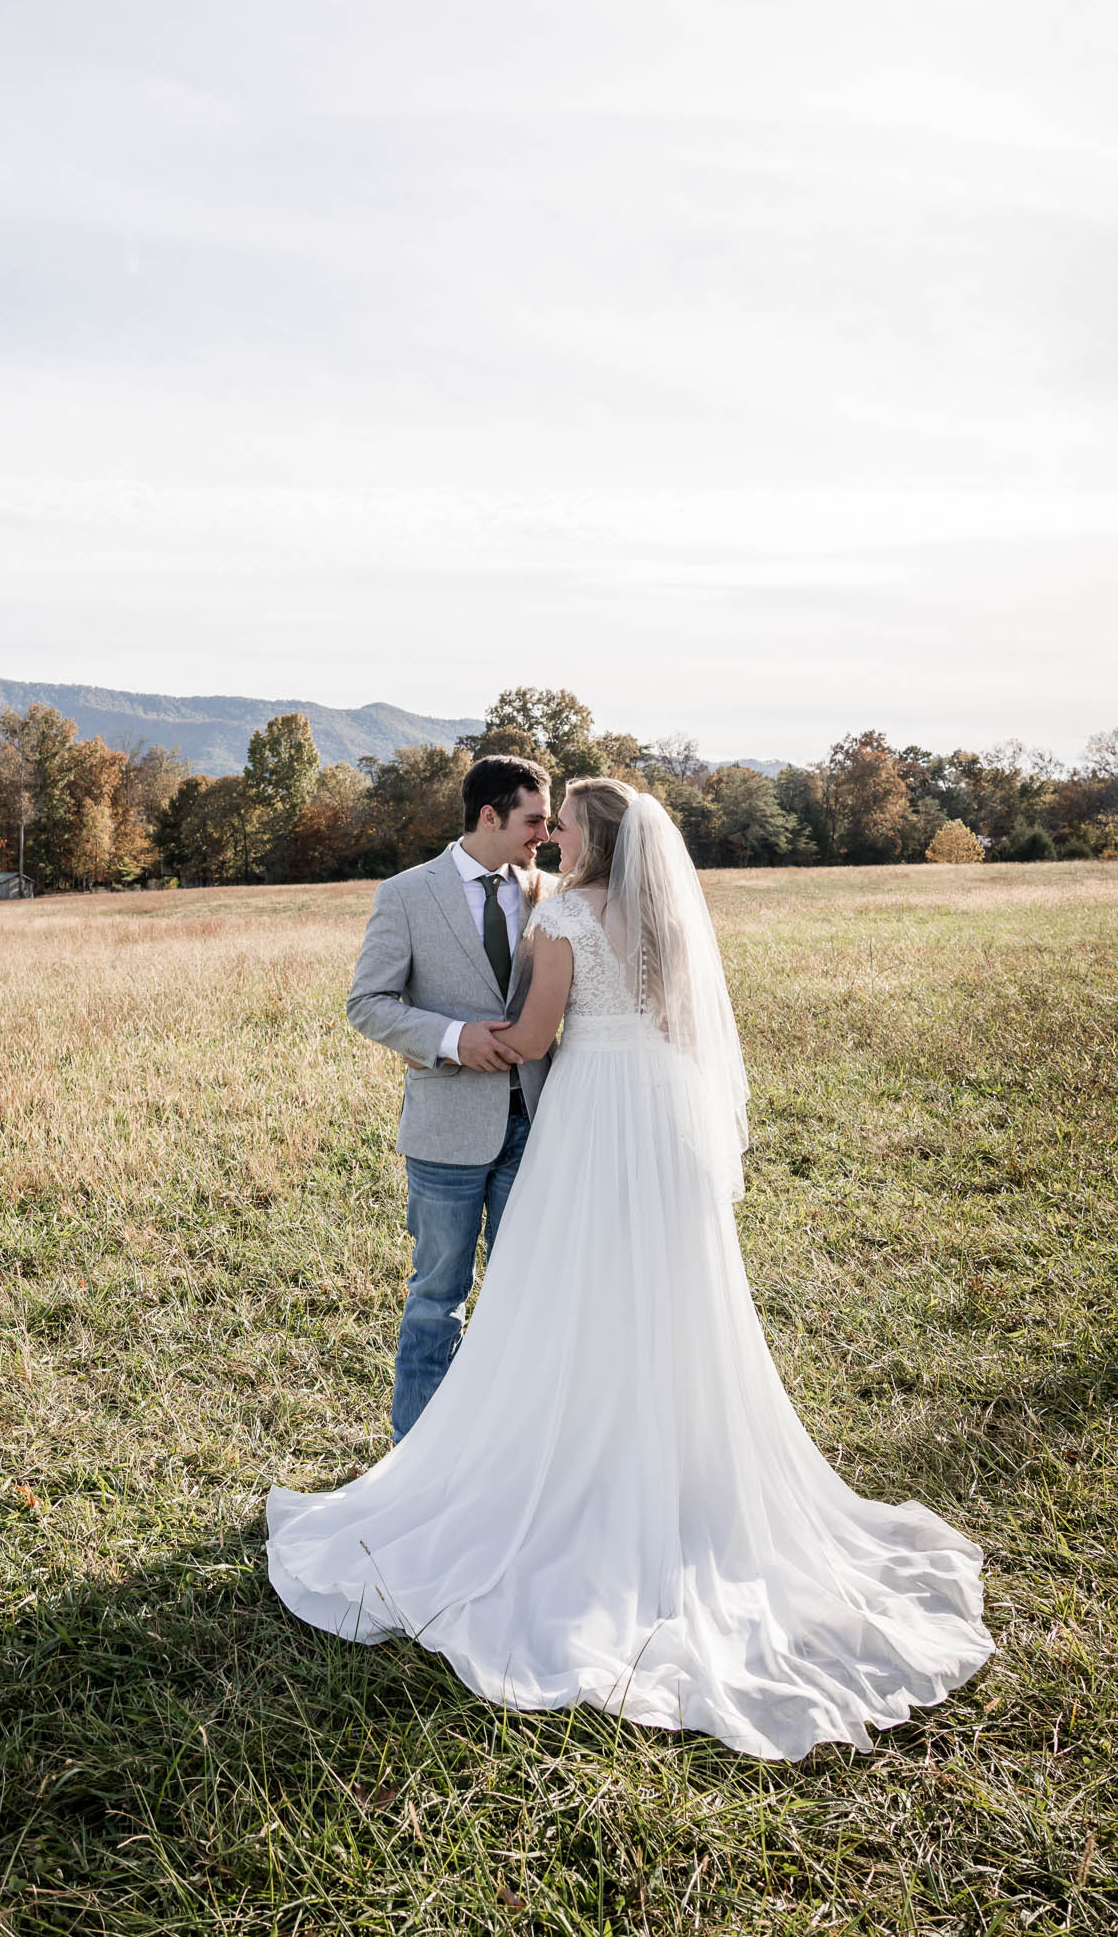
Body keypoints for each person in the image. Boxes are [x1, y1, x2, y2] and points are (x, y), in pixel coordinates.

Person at [268, 779, 993, 1760]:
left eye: (560, 820)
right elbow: (689, 1035)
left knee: (569, 1294)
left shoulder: (563, 911)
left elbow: (531, 1038)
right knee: (670, 1300)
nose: (548, 832)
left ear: (591, 836)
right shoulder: (670, 917)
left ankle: (572, 1455)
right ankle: (662, 1461)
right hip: (664, 1117)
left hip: (590, 1117)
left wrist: (481, 1041)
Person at [346, 754, 558, 1442]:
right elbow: (367, 1004)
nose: (543, 836)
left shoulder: (550, 894)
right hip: (445, 1130)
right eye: (532, 821)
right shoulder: (406, 894)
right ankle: (416, 1459)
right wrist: (449, 1036)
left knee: (525, 1296)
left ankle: (501, 1452)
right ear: (488, 815)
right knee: (436, 1299)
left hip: (538, 1126)